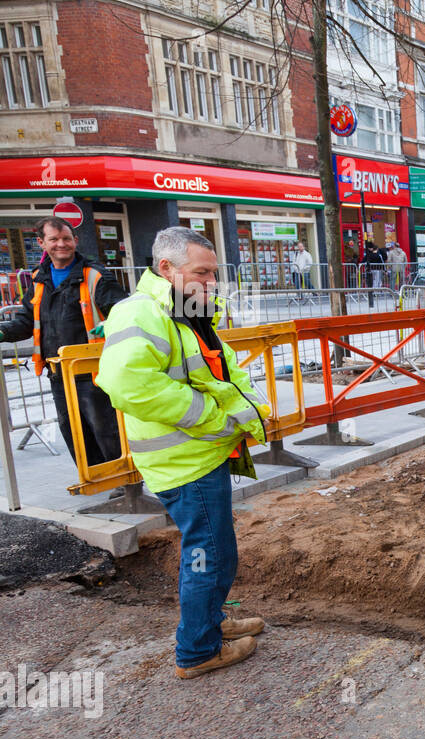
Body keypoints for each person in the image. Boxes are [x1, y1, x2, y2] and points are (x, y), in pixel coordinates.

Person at [96, 227, 269, 679]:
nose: (211, 282)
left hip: (201, 455)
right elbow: (126, 383)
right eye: (202, 272)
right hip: (185, 460)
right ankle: (197, 650)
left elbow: (221, 365)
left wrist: (249, 408)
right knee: (207, 554)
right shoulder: (141, 312)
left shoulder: (186, 309)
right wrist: (212, 418)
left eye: (214, 273)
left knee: (216, 551)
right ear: (166, 267)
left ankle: (208, 624)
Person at [0, 217, 129, 466]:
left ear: (76, 241)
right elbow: (27, 321)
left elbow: (124, 311)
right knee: (74, 431)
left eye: (66, 239)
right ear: (41, 243)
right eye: (54, 239)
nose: (62, 244)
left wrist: (110, 324)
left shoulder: (95, 275)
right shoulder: (39, 278)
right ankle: (96, 481)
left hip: (94, 371)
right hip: (59, 372)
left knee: (107, 430)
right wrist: (4, 332)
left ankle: (123, 484)